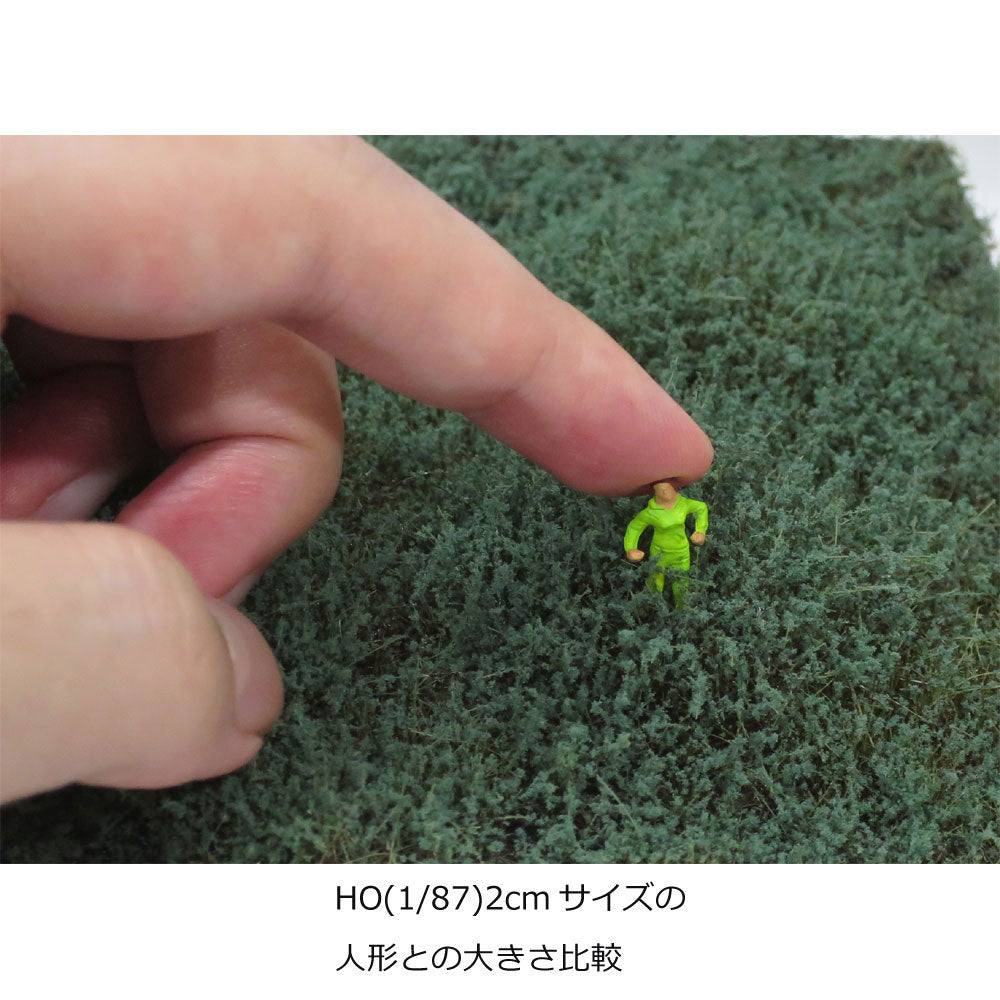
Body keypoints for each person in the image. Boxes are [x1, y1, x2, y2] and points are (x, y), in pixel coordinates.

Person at [0, 137, 713, 803]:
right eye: (660, 493)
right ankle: (663, 585)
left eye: (665, 494)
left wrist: (697, 533)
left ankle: (672, 595)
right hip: (662, 553)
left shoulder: (680, 510)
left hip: (680, 552)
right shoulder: (659, 514)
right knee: (662, 572)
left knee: (674, 579)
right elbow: (643, 529)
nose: (663, 496)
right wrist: (635, 544)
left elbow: (693, 513)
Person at [624, 479, 708, 606]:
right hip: (659, 553)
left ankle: (682, 611)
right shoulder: (651, 512)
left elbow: (701, 508)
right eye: (659, 489)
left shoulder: (683, 504)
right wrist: (630, 548)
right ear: (654, 491)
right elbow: (635, 527)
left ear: (675, 487)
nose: (664, 491)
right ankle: (652, 608)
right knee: (655, 582)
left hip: (681, 553)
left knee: (681, 584)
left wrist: (700, 531)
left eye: (667, 487)